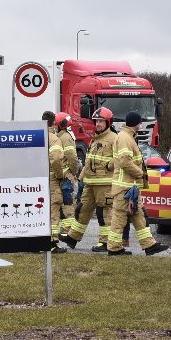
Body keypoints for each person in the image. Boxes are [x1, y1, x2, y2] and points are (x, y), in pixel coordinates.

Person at [107, 112, 169, 256]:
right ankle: (114, 248)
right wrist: (141, 174)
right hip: (124, 187)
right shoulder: (125, 138)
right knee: (119, 218)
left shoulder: (127, 137)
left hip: (129, 186)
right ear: (136, 123)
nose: (141, 125)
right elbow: (125, 162)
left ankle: (149, 245)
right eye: (140, 123)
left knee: (138, 214)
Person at [61, 107, 117, 252]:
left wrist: (108, 166)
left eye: (101, 121)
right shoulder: (94, 139)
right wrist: (80, 178)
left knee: (103, 213)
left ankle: (104, 243)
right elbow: (89, 161)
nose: (98, 124)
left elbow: (120, 159)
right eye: (96, 121)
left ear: (108, 122)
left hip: (105, 183)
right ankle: (73, 237)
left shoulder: (113, 138)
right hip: (89, 183)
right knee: (82, 209)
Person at [42, 112, 67, 253]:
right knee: (54, 209)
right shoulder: (54, 139)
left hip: (38, 179)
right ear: (54, 124)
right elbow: (57, 159)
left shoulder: (36, 136)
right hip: (51, 179)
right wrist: (60, 175)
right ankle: (52, 242)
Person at [54, 112, 79, 237]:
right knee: (64, 202)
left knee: (67, 203)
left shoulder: (64, 138)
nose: (54, 127)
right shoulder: (63, 136)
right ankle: (65, 229)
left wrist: (72, 173)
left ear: (60, 125)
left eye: (55, 125)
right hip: (63, 176)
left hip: (65, 177)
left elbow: (72, 159)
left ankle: (66, 230)